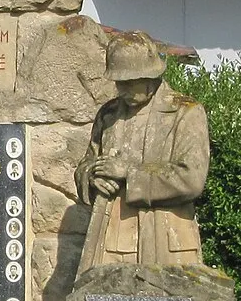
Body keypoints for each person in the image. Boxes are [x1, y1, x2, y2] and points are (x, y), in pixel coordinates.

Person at [76, 32, 209, 272]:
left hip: (168, 239)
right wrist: (92, 178)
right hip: (112, 242)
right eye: (119, 82)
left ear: (150, 76)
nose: (122, 89)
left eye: (129, 81)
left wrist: (129, 173)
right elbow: (87, 164)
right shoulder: (108, 115)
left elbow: (192, 179)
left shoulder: (186, 112)